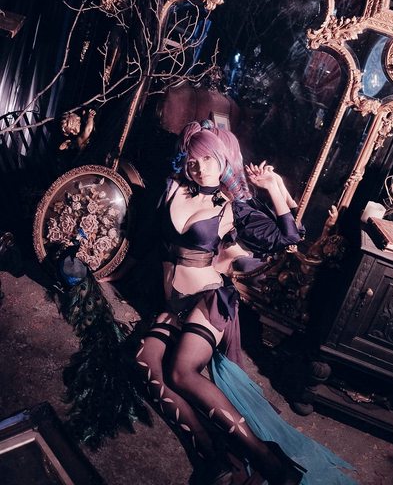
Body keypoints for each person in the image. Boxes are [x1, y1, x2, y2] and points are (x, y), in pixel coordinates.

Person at [136, 120, 357, 485]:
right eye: (193, 159)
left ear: (223, 160)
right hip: (173, 304)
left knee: (181, 372)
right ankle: (211, 451)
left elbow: (289, 237)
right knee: (144, 361)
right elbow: (147, 238)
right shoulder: (173, 188)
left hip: (209, 299)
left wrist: (273, 188)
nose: (200, 167)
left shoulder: (232, 208)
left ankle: (268, 458)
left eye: (209, 159)